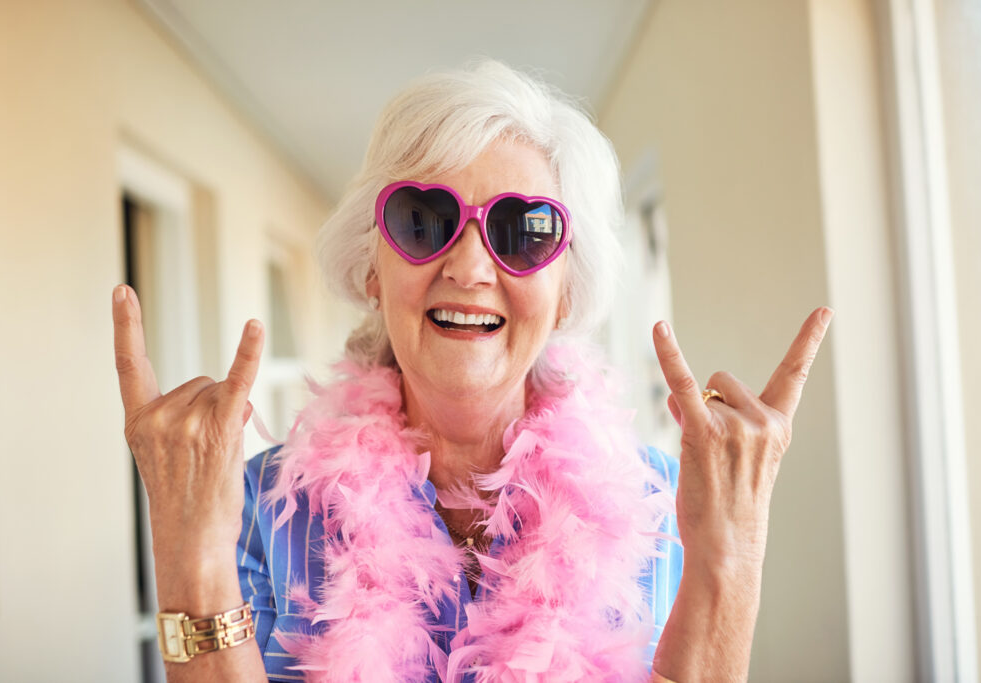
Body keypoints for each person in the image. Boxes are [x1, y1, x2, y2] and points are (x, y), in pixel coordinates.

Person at [113, 60, 832, 682]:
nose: (467, 266)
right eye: (424, 221)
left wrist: (727, 563)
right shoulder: (254, 508)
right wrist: (191, 557)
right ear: (372, 268)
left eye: (524, 231)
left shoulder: (667, 508)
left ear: (566, 294)